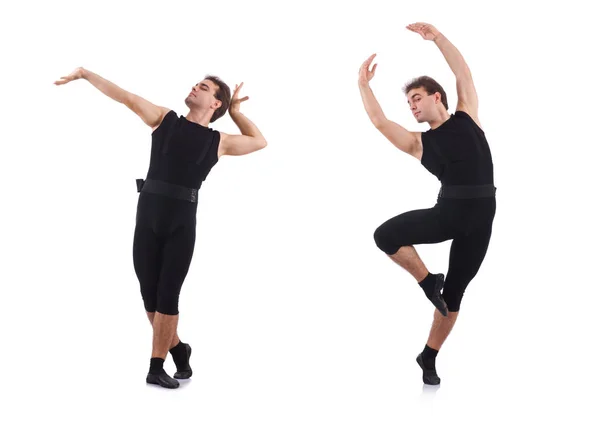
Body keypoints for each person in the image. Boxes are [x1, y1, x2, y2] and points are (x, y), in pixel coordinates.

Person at [54, 67, 267, 389]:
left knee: (168, 295)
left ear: (215, 104)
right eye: (196, 84)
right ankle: (180, 350)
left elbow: (259, 141)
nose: (195, 88)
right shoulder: (165, 120)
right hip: (148, 216)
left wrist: (236, 113)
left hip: (182, 221)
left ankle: (156, 367)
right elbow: (125, 97)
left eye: (204, 87)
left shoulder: (219, 142)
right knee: (149, 298)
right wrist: (86, 74)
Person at [358, 23, 496, 385]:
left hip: (482, 218)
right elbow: (378, 121)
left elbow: (461, 72)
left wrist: (438, 39)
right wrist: (363, 86)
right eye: (408, 102)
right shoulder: (419, 144)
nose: (412, 106)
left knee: (455, 294)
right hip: (448, 215)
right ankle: (425, 281)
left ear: (437, 97)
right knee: (385, 235)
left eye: (416, 98)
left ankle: (429, 356)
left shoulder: (468, 114)